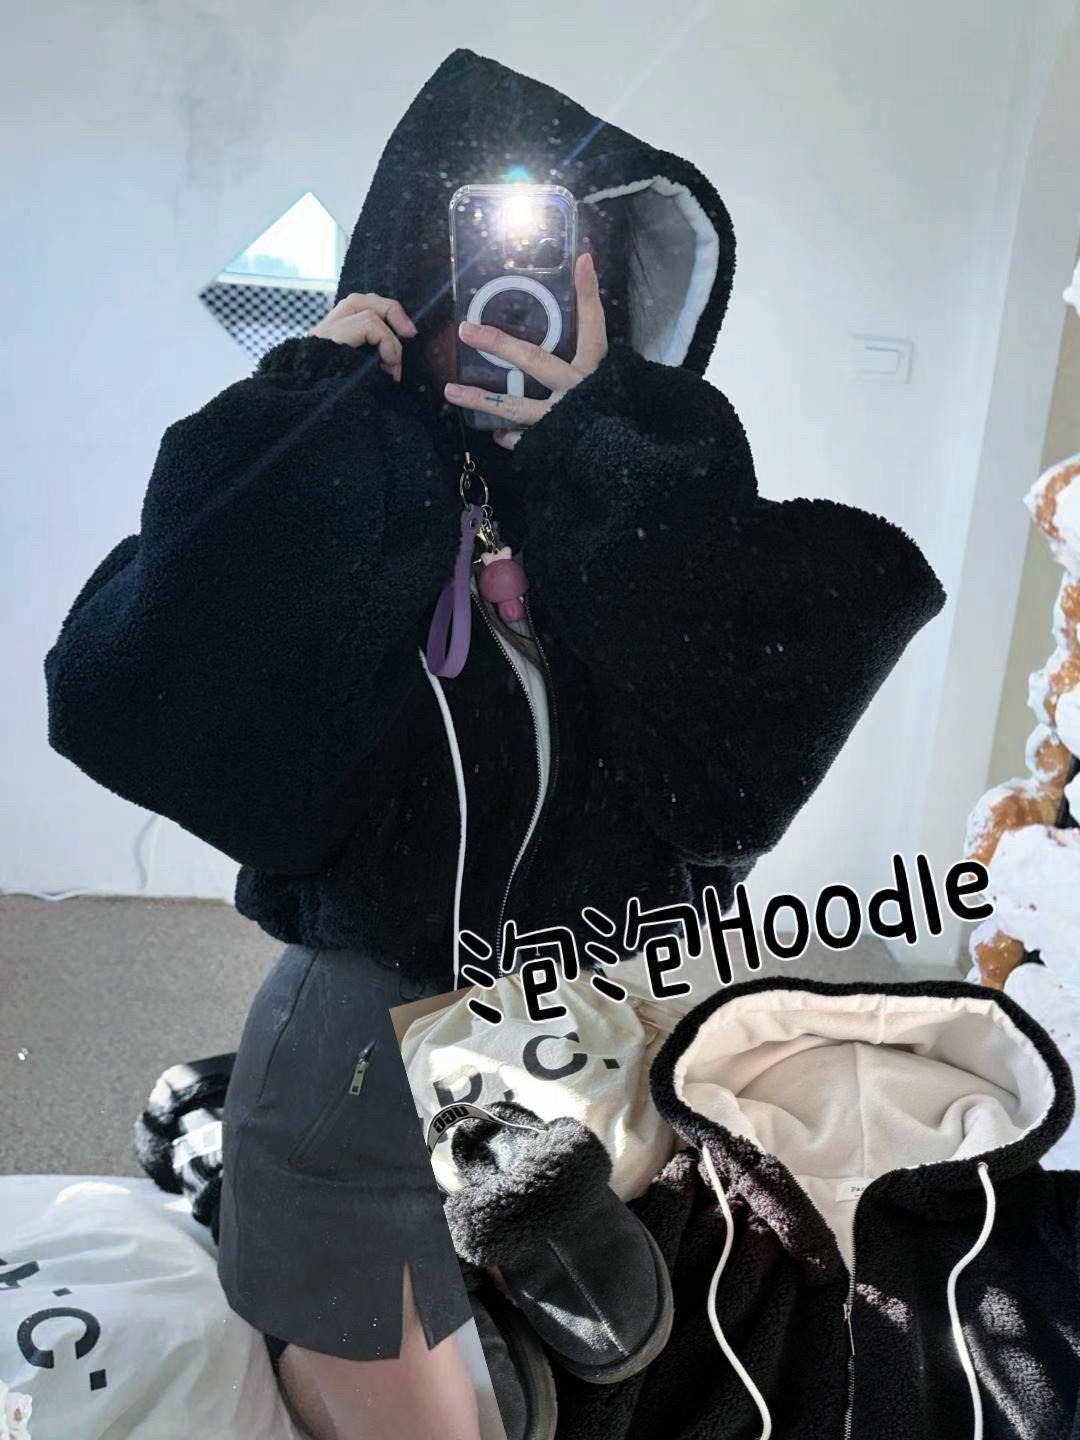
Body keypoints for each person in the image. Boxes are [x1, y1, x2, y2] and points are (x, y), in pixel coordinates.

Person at [43, 47, 945, 1440]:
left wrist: (609, 464)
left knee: (641, 1340)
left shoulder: (648, 478)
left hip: (598, 1018)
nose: (513, 298)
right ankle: (289, 1178)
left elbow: (750, 763)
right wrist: (315, 420)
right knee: (432, 1399)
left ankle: (474, 1213)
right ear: (416, 269)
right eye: (476, 259)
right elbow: (131, 701)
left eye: (567, 265)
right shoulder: (350, 472)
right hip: (363, 1026)